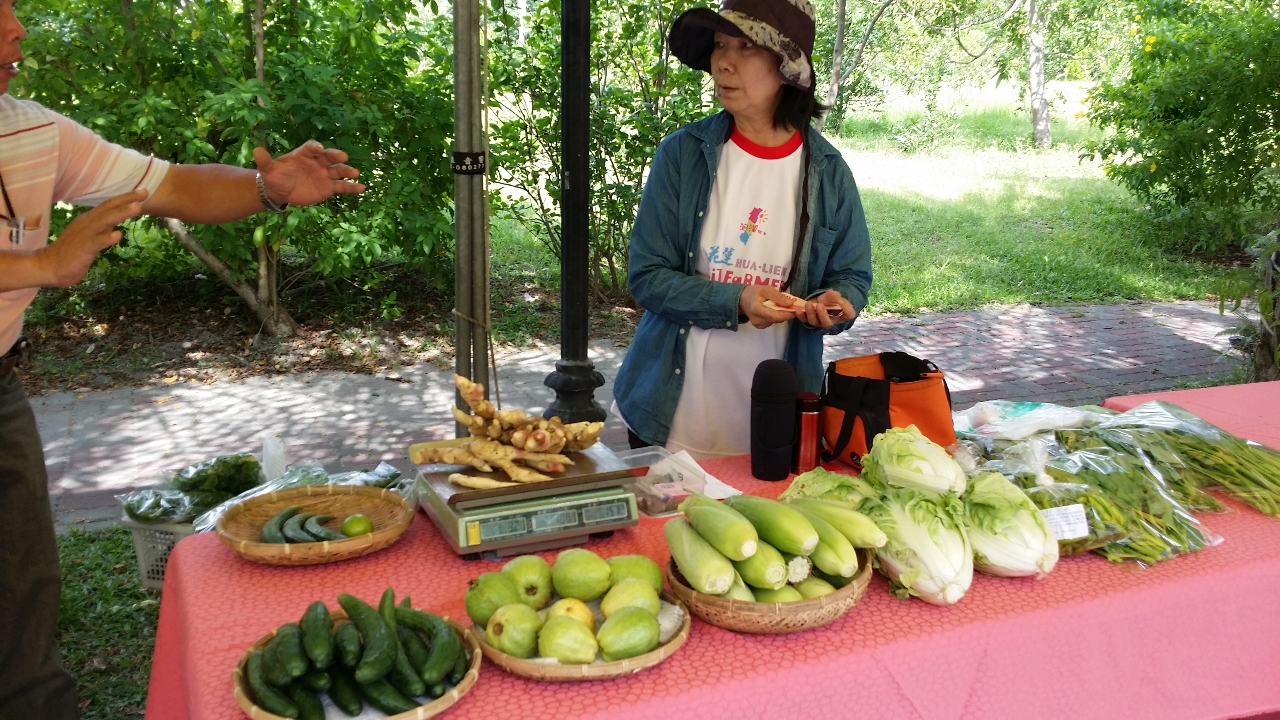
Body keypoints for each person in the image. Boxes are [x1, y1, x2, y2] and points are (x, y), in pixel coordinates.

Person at [0, 0, 365, 715]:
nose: (18, 29)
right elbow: (46, 260)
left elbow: (167, 184)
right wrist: (44, 261)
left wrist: (267, 189)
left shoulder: (30, 127)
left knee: (22, 605)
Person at [611, 0, 873, 460]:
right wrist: (737, 301)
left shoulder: (829, 172)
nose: (722, 62)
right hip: (671, 417)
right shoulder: (682, 155)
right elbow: (647, 276)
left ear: (788, 68)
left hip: (776, 417)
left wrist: (837, 304)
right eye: (719, 45)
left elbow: (852, 275)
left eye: (747, 46)